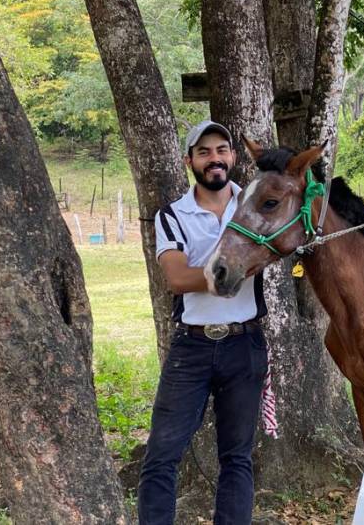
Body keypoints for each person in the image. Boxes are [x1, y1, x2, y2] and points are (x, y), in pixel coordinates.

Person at [137, 120, 268, 525]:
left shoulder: (254, 204)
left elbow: (288, 240)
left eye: (222, 150)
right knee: (161, 456)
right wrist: (235, 268)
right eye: (205, 152)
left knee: (237, 458)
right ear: (189, 161)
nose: (215, 159)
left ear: (232, 157)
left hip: (244, 344)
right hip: (191, 349)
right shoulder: (173, 214)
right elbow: (177, 279)